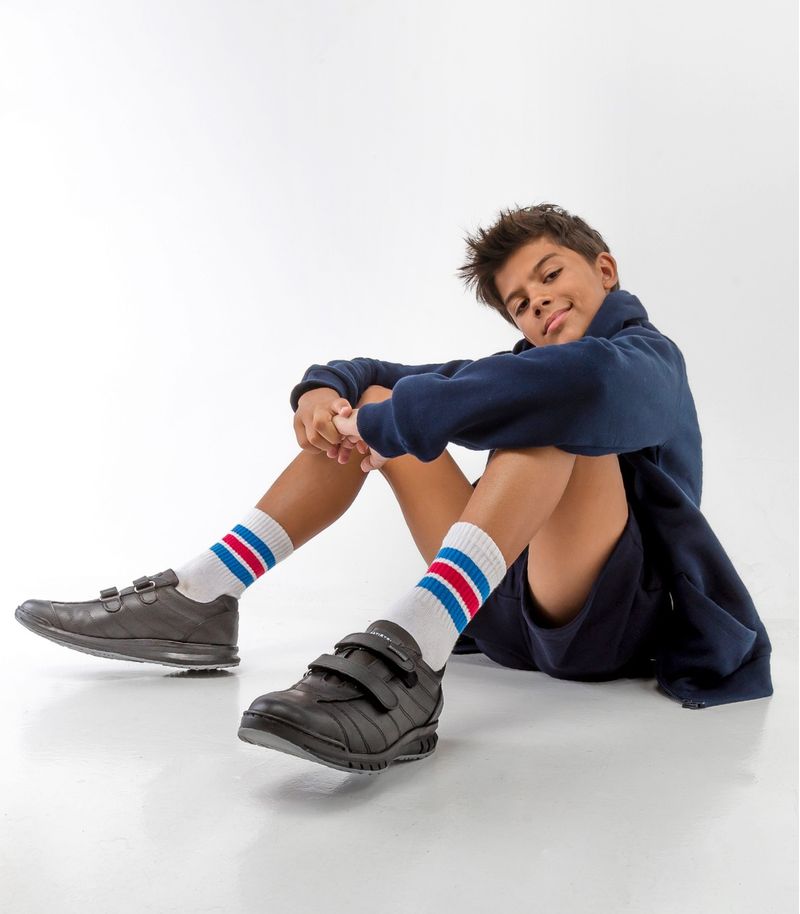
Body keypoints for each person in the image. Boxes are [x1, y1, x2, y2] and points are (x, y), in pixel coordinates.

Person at [15, 202, 773, 775]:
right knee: (379, 399)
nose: (538, 300)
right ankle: (205, 593)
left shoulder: (648, 357)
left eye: (550, 276)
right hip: (503, 609)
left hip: (605, 619)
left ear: (604, 271)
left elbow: (588, 386)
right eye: (519, 301)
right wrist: (327, 392)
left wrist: (396, 420)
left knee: (549, 418)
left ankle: (414, 653)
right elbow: (384, 378)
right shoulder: (521, 369)